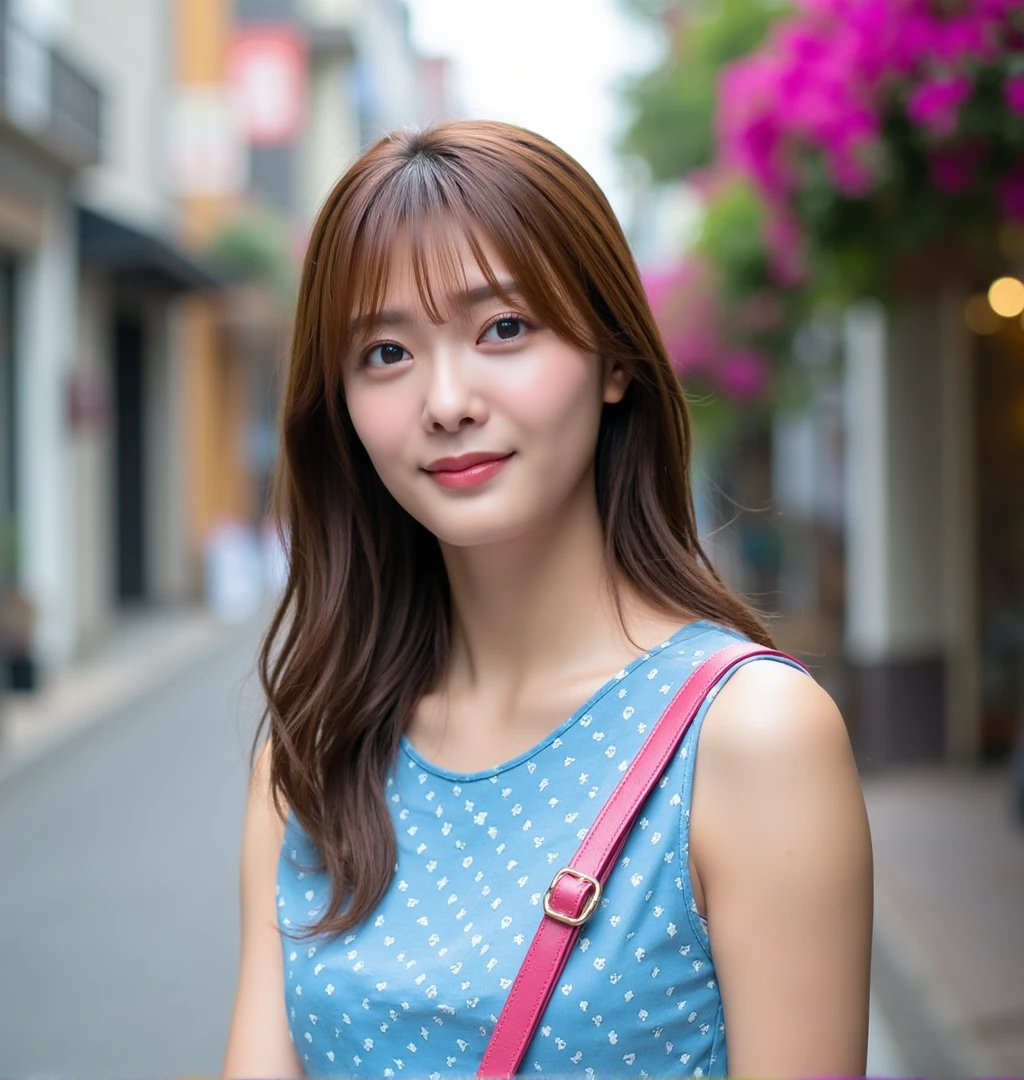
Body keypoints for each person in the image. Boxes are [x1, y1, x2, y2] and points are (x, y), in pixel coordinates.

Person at [222, 120, 873, 1079]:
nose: (446, 400)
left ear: (615, 362)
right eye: (386, 354)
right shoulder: (313, 756)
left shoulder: (752, 735)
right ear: (344, 409)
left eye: (504, 329)